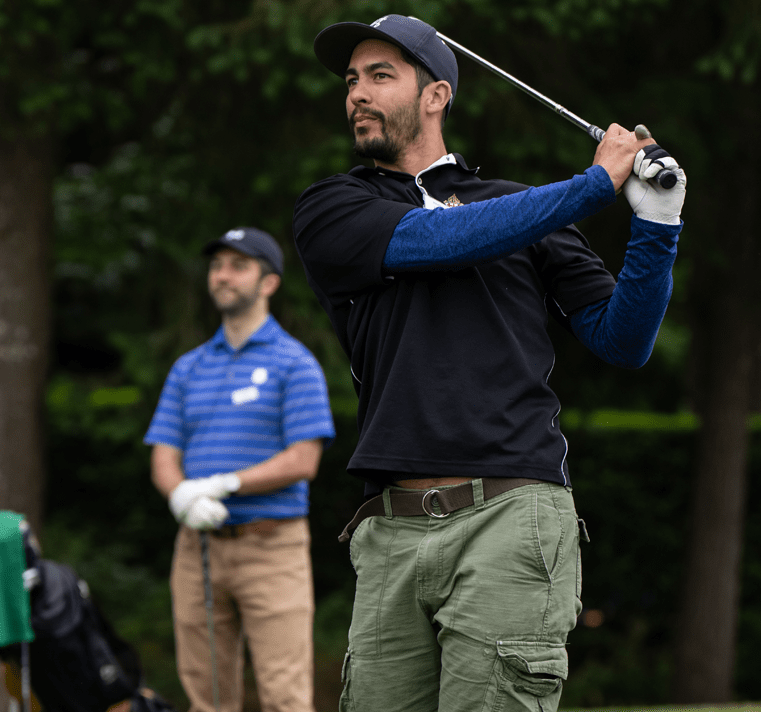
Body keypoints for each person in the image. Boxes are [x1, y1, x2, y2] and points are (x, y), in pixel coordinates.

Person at [292, 15, 686, 712]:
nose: (357, 93)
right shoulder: (334, 208)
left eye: (381, 76)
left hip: (513, 512)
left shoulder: (517, 208)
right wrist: (593, 187)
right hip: (391, 531)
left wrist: (655, 228)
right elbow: (432, 241)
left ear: (437, 94)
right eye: (352, 79)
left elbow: (621, 340)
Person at [144, 228, 336, 712]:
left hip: (272, 548)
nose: (223, 275)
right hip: (197, 548)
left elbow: (304, 459)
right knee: (206, 699)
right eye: (217, 266)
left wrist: (224, 484)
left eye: (238, 265)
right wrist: (180, 496)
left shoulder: (295, 362)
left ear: (268, 282)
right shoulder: (188, 367)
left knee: (284, 697)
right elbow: (164, 454)